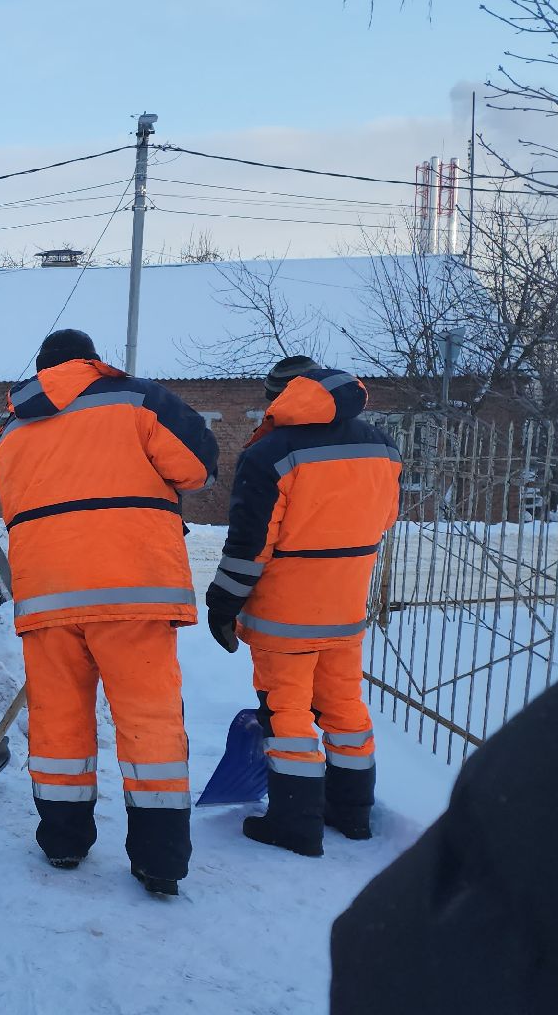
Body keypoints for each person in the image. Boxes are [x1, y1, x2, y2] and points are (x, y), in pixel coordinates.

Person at [0, 328, 218, 896]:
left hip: (48, 594)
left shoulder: (12, 431)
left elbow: (15, 508)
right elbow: (198, 465)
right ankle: (160, 860)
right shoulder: (139, 400)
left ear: (42, 370)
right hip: (132, 590)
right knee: (148, 721)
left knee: (58, 721)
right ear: (91, 361)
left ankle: (63, 841)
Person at [205, 356, 400, 857]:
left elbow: (249, 546)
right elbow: (385, 520)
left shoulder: (272, 454)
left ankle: (295, 824)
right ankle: (352, 813)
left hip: (285, 616)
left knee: (287, 713)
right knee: (344, 706)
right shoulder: (381, 446)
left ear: (280, 398)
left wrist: (222, 603)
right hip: (347, 607)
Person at [329, 668, 558, 1013]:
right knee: (336, 705)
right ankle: (345, 812)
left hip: (402, 962)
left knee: (293, 711)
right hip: (407, 959)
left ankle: (304, 819)